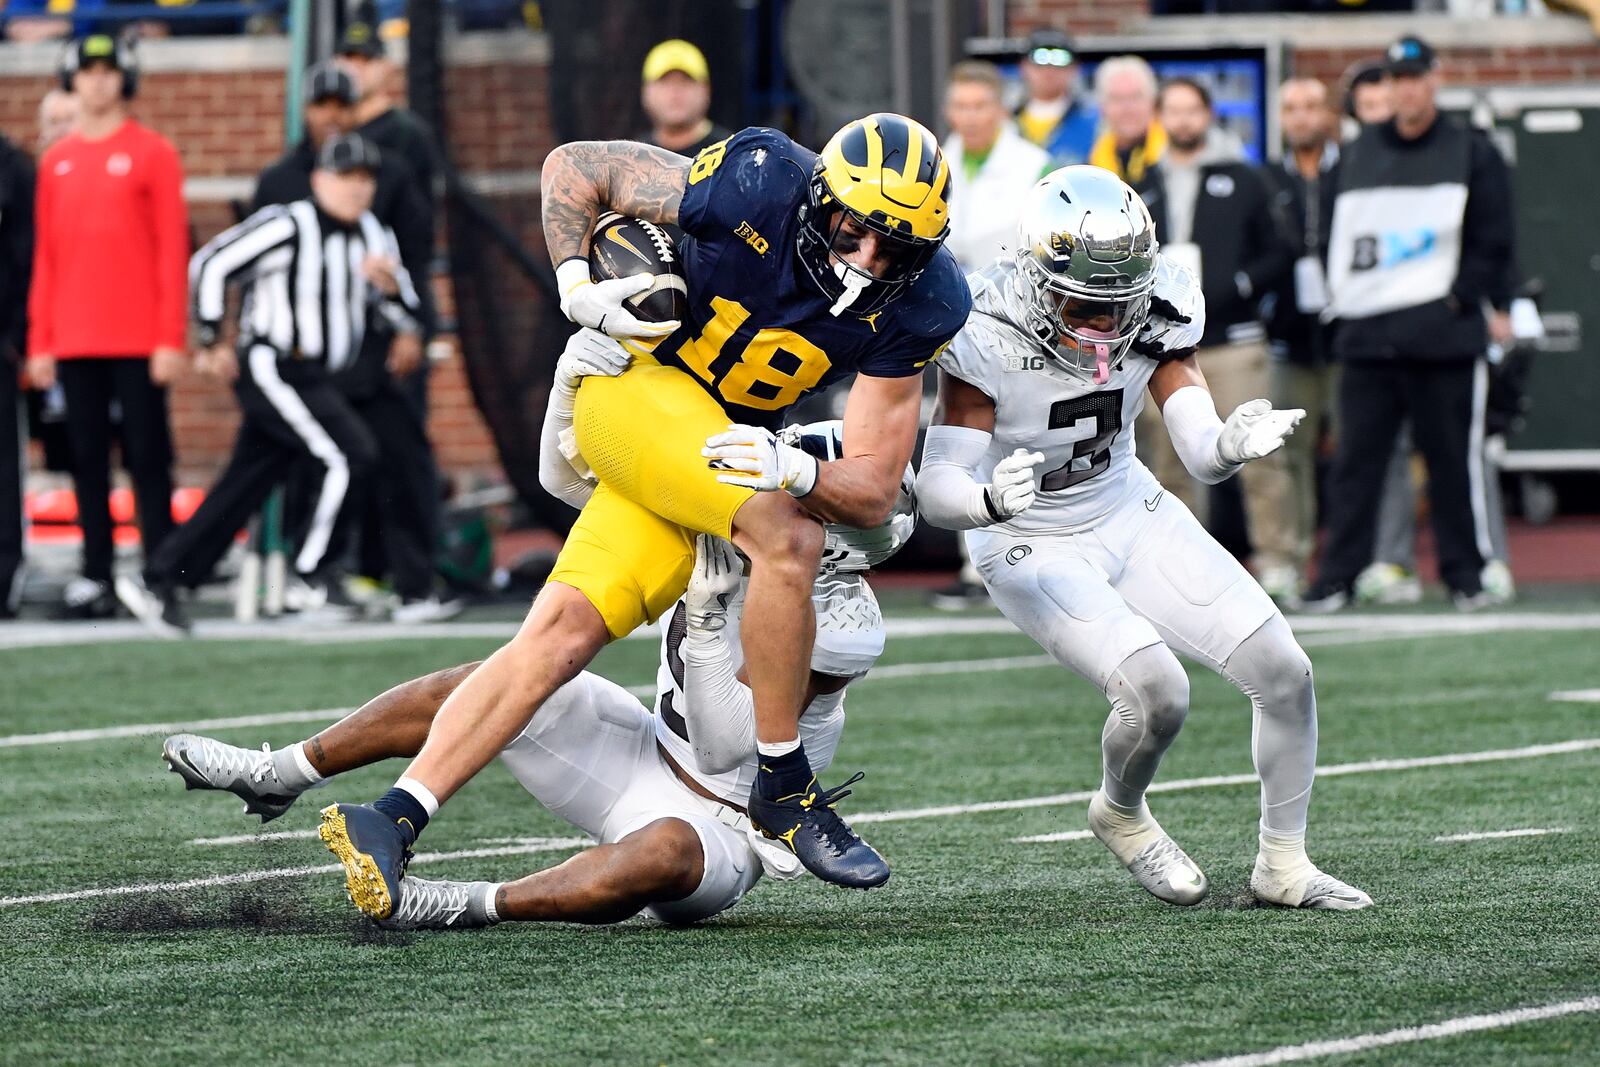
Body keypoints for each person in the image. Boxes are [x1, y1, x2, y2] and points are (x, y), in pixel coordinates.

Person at [318, 113, 969, 916]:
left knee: (558, 636)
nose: (868, 258)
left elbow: (872, 486)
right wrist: (575, 287)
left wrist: (793, 463)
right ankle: (785, 786)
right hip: (642, 391)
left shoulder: (927, 302)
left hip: (711, 453)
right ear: (819, 200)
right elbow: (575, 164)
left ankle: (392, 815)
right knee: (790, 533)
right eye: (853, 229)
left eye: (895, 249)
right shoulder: (757, 180)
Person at [159, 420, 914, 929]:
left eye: (801, 495)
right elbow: (576, 481)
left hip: (725, 818)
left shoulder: (843, 623)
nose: (770, 496)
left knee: (662, 855)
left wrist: (711, 619)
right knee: (501, 677)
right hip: (648, 749)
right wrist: (577, 386)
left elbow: (724, 748)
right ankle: (281, 771)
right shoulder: (736, 525)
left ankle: (462, 902)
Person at [917, 165, 1369, 911]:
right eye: (1084, 305)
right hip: (1027, 532)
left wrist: (1228, 444)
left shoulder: (1157, 299)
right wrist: (988, 499)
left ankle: (1283, 863)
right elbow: (938, 488)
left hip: (1126, 502)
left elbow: (1195, 447)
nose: (1102, 325)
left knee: (1285, 670)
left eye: (1115, 305)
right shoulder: (983, 328)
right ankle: (1119, 810)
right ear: (1035, 280)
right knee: (1158, 692)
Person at [114, 135, 420, 635]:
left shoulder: (372, 232)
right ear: (319, 179)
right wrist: (211, 337)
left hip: (317, 375)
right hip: (274, 366)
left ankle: (159, 578)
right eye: (346, 178)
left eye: (366, 179)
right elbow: (211, 264)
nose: (357, 190)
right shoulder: (287, 223)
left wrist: (390, 290)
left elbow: (400, 305)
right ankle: (312, 574)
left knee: (246, 483)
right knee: (350, 454)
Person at [1305, 36, 1516, 612]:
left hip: (1443, 338)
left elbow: (1495, 237)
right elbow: (1329, 239)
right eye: (1396, 78)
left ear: (1435, 79)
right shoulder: (1354, 154)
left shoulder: (1471, 149)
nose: (1406, 88)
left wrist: (1457, 299)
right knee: (1354, 468)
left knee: (1454, 463)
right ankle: (1336, 578)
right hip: (1369, 337)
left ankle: (1467, 576)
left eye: (1415, 76)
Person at [252, 61, 450, 622]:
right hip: (305, 358)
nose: (333, 116)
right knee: (305, 462)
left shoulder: (385, 173)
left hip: (374, 348)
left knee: (401, 455)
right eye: (323, 106)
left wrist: (415, 326)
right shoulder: (279, 181)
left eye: (344, 105)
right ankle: (311, 576)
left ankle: (413, 582)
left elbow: (413, 255)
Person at [27, 35, 188, 619]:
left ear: (126, 78)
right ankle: (95, 576)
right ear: (72, 78)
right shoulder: (56, 161)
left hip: (139, 338)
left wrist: (170, 337)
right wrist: (40, 341)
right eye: (87, 71)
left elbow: (172, 250)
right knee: (87, 460)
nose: (97, 81)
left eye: (108, 71)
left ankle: (161, 574)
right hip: (74, 338)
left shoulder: (153, 153)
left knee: (148, 458)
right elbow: (46, 257)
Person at [1134, 77, 1296, 598]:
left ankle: (1278, 561)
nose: (1182, 120)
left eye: (1191, 109)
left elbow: (1280, 250)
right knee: (1168, 460)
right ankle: (1182, 570)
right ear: (1161, 116)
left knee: (1259, 453)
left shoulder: (1245, 177)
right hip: (1165, 344)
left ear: (1208, 114)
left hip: (1234, 338)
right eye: (1172, 110)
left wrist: (1239, 284)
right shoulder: (1145, 180)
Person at [933, 59, 1051, 610]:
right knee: (961, 435)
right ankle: (973, 561)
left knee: (1023, 434)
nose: (971, 116)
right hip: (955, 322)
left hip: (1019, 324)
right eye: (962, 105)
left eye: (981, 105)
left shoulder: (1035, 165)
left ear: (1001, 108)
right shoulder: (935, 164)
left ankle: (1035, 553)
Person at [1264, 77, 1343, 602]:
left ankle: (1355, 561)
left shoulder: (1356, 170)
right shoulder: (1265, 179)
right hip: (1290, 339)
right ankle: (1292, 560)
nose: (1301, 116)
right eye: (1291, 107)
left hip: (1350, 339)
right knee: (1288, 456)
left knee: (1358, 454)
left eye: (1311, 106)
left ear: (1329, 114)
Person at [0, 131, 33, 616]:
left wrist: (17, 337)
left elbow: (27, 257)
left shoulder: (13, 167)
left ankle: (3, 576)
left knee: (3, 466)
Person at [1013, 29, 1098, 167]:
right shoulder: (1006, 121)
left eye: (1060, 60)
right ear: (1024, 66)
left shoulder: (1094, 122)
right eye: (1040, 59)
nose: (1049, 70)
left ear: (1074, 67)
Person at [639, 39, 732, 159]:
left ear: (705, 90)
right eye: (665, 83)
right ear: (646, 92)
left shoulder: (730, 153)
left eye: (685, 82)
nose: (675, 92)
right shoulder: (633, 158)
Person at [1089, 55, 1165, 184]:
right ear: (1102, 108)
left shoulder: (1177, 156)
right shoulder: (1090, 168)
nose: (1127, 108)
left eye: (1135, 97)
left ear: (1153, 102)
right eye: (1117, 99)